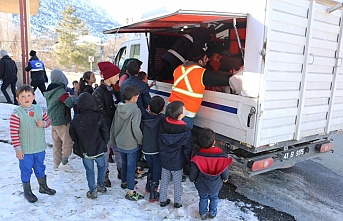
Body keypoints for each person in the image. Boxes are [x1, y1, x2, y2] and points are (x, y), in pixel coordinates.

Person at [9, 84, 56, 203]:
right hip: (26, 150)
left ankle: (43, 186)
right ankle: (27, 191)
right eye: (23, 96)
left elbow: (49, 121)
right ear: (17, 99)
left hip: (39, 147)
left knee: (40, 167)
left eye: (29, 95)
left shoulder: (39, 109)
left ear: (34, 96)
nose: (26, 98)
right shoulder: (16, 114)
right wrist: (18, 149)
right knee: (26, 170)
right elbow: (14, 133)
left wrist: (44, 124)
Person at [168, 48, 232, 128]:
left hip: (170, 108)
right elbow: (224, 80)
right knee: (182, 138)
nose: (208, 59)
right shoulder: (201, 73)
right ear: (200, 62)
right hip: (185, 114)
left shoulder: (178, 69)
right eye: (206, 58)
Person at [69, 92, 109, 199]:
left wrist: (78, 143)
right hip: (99, 148)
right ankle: (100, 185)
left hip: (85, 150)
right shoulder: (99, 116)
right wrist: (104, 142)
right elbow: (105, 132)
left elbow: (73, 135)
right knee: (102, 166)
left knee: (90, 171)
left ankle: (92, 191)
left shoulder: (76, 119)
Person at [189, 128, 232, 220]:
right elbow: (224, 169)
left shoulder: (197, 156)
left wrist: (192, 179)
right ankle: (212, 213)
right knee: (214, 198)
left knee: (203, 198)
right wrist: (225, 178)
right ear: (214, 141)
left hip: (201, 184)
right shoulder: (221, 155)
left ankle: (203, 214)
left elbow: (194, 171)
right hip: (216, 184)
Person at [112, 85, 144, 201]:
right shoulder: (136, 110)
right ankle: (131, 192)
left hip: (120, 142)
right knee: (131, 167)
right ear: (135, 98)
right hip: (131, 144)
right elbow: (135, 128)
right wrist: (141, 140)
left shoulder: (119, 108)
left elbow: (114, 125)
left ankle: (124, 182)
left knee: (124, 163)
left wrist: (114, 139)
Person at [158, 101, 192, 208]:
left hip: (164, 159)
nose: (185, 109)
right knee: (177, 183)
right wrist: (188, 160)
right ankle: (177, 202)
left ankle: (162, 200)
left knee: (164, 181)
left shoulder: (164, 123)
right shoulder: (185, 129)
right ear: (180, 115)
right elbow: (187, 148)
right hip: (177, 162)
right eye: (184, 108)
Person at [93, 61, 121, 187]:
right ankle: (104, 177)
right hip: (105, 129)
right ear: (109, 76)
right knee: (105, 154)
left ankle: (122, 172)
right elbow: (101, 114)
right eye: (116, 75)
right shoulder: (99, 93)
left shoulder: (114, 89)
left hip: (115, 127)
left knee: (118, 150)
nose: (118, 78)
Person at [44, 69, 75, 172]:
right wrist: (74, 98)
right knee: (67, 142)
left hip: (53, 120)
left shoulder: (50, 89)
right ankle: (65, 162)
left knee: (56, 143)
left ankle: (57, 163)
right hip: (62, 121)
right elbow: (69, 103)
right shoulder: (60, 91)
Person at [141, 95, 165, 202]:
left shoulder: (143, 117)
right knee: (156, 170)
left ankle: (148, 186)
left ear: (149, 106)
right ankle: (153, 194)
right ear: (163, 108)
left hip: (146, 149)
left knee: (150, 167)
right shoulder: (162, 119)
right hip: (156, 150)